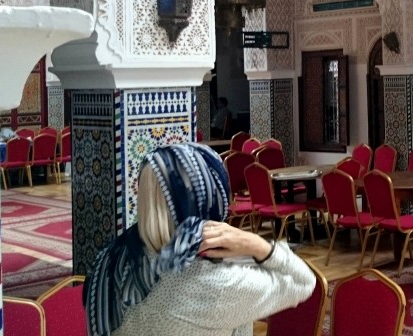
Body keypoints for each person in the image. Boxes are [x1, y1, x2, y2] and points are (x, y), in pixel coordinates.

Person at [84, 142, 316, 336]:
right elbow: (304, 282)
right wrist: (253, 243)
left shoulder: (113, 258)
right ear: (212, 196)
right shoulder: (217, 282)